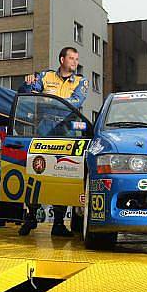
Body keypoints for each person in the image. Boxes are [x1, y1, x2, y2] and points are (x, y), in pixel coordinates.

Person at [18, 46, 88, 237]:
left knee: (63, 177)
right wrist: (28, 82)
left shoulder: (82, 81)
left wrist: (47, 100)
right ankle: (31, 217)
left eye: (76, 59)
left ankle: (58, 223)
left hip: (67, 133)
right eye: (71, 58)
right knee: (36, 172)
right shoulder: (46, 76)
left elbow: (73, 104)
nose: (75, 62)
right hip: (43, 131)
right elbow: (29, 94)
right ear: (62, 59)